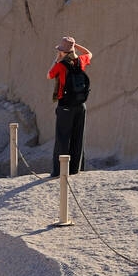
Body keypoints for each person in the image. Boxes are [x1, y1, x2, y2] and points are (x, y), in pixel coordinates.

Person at [47, 36, 93, 176]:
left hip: (65, 106)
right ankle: (75, 169)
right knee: (78, 137)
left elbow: (49, 75)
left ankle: (58, 172)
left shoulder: (61, 65)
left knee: (62, 139)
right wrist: (75, 46)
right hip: (80, 105)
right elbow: (89, 53)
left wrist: (57, 58)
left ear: (62, 51)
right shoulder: (80, 61)